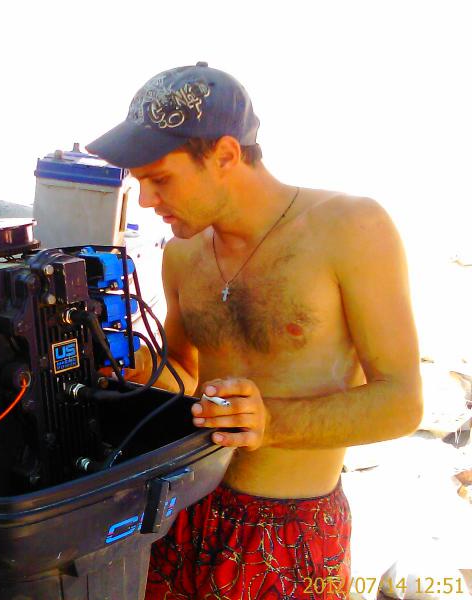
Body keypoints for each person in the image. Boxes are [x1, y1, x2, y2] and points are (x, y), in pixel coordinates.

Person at [86, 62, 422, 599]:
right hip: (182, 510)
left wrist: (270, 422)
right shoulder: (181, 254)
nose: (145, 200)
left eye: (160, 178)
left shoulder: (351, 229)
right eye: (139, 181)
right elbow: (188, 375)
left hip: (291, 531)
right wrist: (144, 368)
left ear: (225, 155)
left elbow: (402, 403)